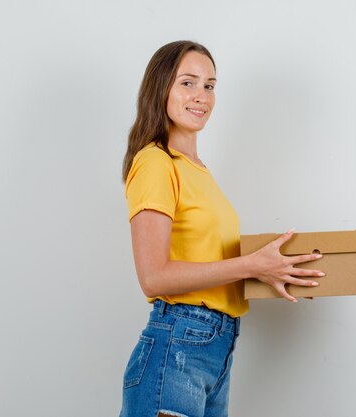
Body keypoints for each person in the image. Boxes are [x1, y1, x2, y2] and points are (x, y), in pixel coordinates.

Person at [119, 40, 325, 417]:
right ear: (160, 87)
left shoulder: (197, 170)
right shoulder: (155, 163)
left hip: (217, 348)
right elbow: (153, 277)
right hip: (177, 347)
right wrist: (251, 266)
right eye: (188, 83)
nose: (201, 96)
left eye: (209, 86)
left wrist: (278, 275)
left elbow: (211, 266)